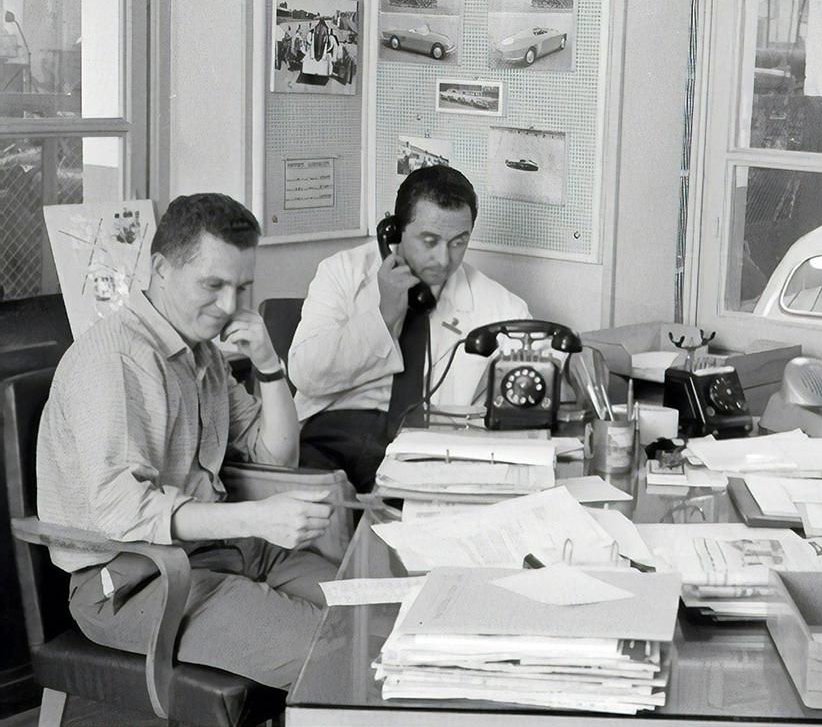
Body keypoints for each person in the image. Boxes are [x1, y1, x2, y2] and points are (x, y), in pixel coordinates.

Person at [37, 193, 337, 690]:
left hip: (224, 550)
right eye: (213, 285)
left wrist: (268, 363)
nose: (229, 306)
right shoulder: (115, 360)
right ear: (160, 269)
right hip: (138, 580)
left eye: (241, 287)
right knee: (333, 653)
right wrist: (255, 518)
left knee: (379, 616)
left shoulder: (203, 354)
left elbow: (277, 456)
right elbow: (123, 510)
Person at [289, 165, 531, 491]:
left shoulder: (501, 307)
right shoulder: (342, 273)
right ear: (396, 231)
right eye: (429, 241)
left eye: (458, 242)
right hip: (330, 436)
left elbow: (535, 387)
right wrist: (384, 316)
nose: (443, 259)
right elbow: (305, 373)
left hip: (426, 447)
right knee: (316, 503)